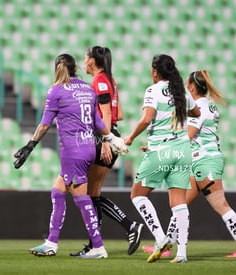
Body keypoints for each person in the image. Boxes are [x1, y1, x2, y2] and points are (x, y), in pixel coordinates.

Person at [17, 53, 119, 259]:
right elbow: (98, 122)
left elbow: (45, 123)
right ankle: (51, 242)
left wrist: (30, 145)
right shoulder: (87, 89)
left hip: (72, 151)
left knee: (82, 198)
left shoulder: (56, 90)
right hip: (89, 148)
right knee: (57, 192)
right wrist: (111, 139)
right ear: (75, 69)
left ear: (57, 68)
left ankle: (98, 247)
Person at [143, 70, 236, 258]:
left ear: (192, 87)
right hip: (202, 161)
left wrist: (161, 148)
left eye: (187, 85)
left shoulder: (199, 109)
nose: (185, 88)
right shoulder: (209, 106)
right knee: (180, 204)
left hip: (205, 162)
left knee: (221, 205)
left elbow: (188, 136)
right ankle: (166, 248)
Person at [124, 54, 200, 264]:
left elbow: (147, 118)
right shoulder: (182, 91)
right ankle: (182, 253)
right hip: (182, 150)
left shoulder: (153, 90)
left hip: (160, 149)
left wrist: (130, 137)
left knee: (137, 195)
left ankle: (160, 238)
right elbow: (196, 111)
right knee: (178, 202)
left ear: (155, 72)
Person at [70, 46, 144, 257]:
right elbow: (117, 113)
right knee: (93, 194)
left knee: (86, 193)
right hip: (109, 136)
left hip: (102, 139)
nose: (84, 62)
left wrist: (104, 140)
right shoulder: (110, 81)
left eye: (85, 58)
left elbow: (105, 114)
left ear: (92, 61)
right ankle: (97, 243)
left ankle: (128, 227)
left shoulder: (99, 81)